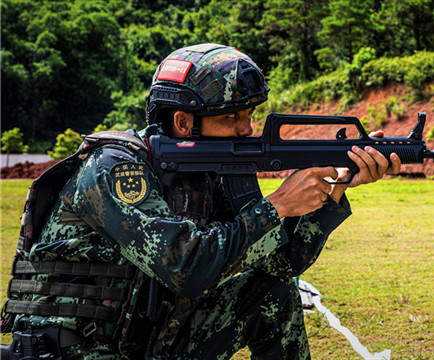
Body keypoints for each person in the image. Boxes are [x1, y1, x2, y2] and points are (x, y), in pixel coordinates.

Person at [1, 43, 401, 359]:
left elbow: (280, 264)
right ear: (183, 122)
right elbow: (186, 269)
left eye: (250, 114)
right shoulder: (116, 168)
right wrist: (277, 205)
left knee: (272, 294)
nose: (247, 130)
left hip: (142, 344)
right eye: (232, 118)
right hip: (73, 350)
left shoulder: (211, 172)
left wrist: (334, 192)